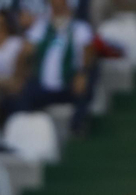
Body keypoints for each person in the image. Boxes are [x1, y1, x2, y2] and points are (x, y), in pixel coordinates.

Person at [18, 0, 96, 134]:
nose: (58, 11)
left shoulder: (80, 28)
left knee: (87, 83)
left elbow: (88, 54)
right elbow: (26, 51)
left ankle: (77, 126)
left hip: (69, 84)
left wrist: (83, 73)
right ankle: (27, 130)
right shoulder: (41, 27)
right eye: (55, 8)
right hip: (43, 85)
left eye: (61, 7)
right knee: (22, 92)